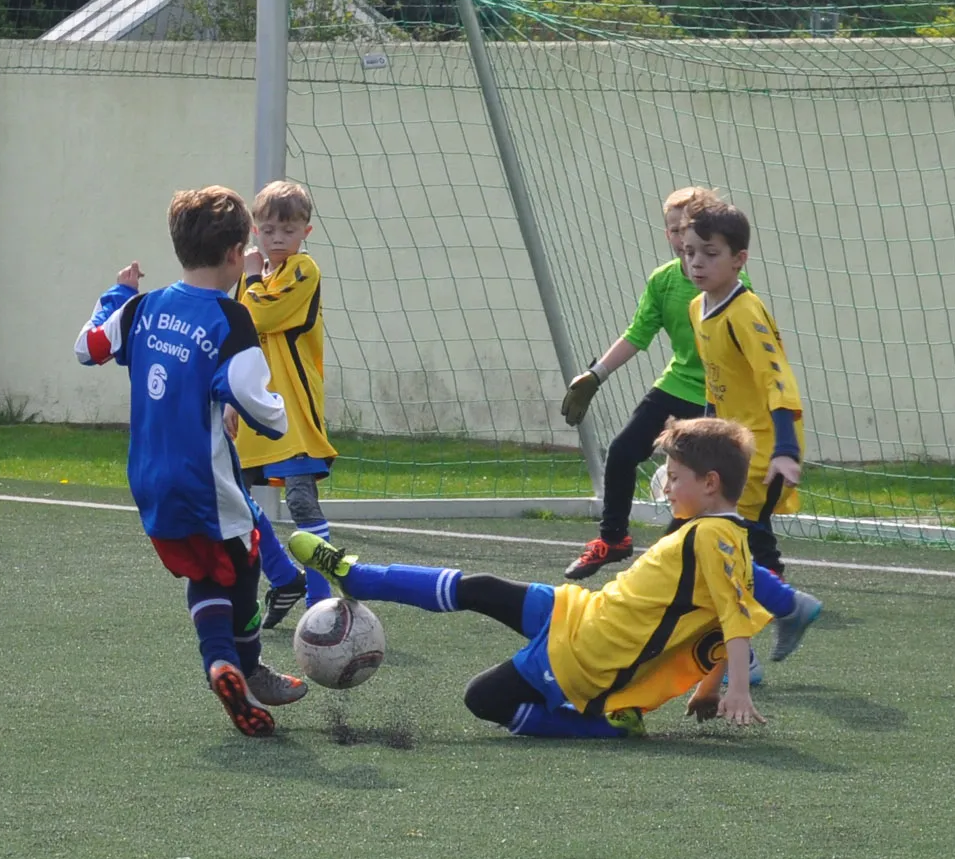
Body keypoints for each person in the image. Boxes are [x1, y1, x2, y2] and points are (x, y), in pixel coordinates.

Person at [288, 417, 773, 737]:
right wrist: (710, 688)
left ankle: (603, 725)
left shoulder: (713, 537)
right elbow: (722, 623)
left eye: (675, 477)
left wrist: (735, 688)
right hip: (582, 613)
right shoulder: (718, 535)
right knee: (481, 587)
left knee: (482, 698)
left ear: (710, 483)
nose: (666, 488)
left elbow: (732, 620)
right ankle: (359, 577)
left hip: (587, 656)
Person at [75, 185, 307, 736]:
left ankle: (228, 668)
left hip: (149, 480)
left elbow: (88, 347)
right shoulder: (230, 317)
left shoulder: (142, 307)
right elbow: (250, 395)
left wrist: (117, 293)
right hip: (205, 481)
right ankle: (237, 665)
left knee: (204, 570)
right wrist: (275, 415)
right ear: (235, 254)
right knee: (245, 562)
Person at [559, 186, 728, 579]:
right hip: (677, 384)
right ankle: (613, 538)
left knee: (701, 483)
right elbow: (637, 335)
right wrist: (596, 375)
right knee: (622, 452)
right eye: (673, 230)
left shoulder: (731, 284)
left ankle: (691, 562)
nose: (679, 238)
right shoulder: (663, 281)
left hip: (719, 395)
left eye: (685, 228)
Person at [682, 202, 821, 661]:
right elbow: (716, 382)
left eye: (710, 253)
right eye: (689, 252)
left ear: (739, 259)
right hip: (730, 448)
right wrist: (699, 442)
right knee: (721, 548)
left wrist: (786, 449)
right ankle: (786, 610)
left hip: (762, 452)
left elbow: (777, 379)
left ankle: (742, 653)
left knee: (717, 546)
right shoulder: (697, 308)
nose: (697, 263)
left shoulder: (745, 312)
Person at [232, 180, 339, 628]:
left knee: (300, 500)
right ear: (256, 230)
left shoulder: (302, 270)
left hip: (291, 408)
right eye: (269, 230)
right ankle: (282, 577)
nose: (277, 239)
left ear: (305, 232)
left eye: (288, 230)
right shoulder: (255, 276)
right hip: (253, 408)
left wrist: (251, 278)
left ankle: (321, 602)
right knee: (232, 500)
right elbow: (238, 331)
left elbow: (260, 314)